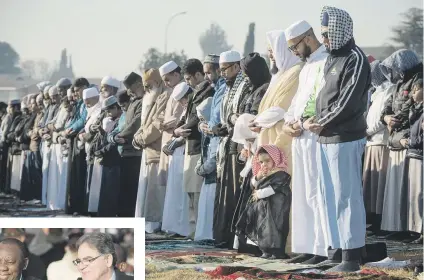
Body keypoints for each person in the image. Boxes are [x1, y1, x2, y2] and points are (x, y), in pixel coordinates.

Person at [306, 6, 370, 272]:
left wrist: (322, 122)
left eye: (327, 33)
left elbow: (348, 101)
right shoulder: (332, 58)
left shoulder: (355, 58)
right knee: (328, 196)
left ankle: (351, 255)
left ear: (340, 30)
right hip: (325, 138)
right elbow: (322, 96)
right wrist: (311, 121)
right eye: (322, 34)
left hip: (344, 137)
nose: (324, 39)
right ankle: (335, 250)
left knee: (347, 196)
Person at [281, 20, 328, 264]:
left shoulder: (325, 61)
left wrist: (300, 122)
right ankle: (306, 247)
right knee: (302, 194)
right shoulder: (307, 66)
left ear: (308, 38)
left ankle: (321, 249)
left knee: (316, 193)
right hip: (300, 136)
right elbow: (297, 102)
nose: (294, 53)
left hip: (315, 135)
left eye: (295, 47)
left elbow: (320, 102)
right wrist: (289, 122)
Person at [380, 50, 423, 240]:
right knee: (397, 190)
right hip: (397, 139)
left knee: (412, 190)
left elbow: (409, 108)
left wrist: (394, 119)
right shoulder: (399, 84)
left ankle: (409, 229)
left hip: (407, 139)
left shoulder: (418, 79)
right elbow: (388, 107)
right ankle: (397, 226)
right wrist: (386, 117)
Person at [213, 50, 251, 248]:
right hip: (227, 144)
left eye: (225, 69)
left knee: (235, 193)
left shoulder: (244, 85)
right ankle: (223, 237)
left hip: (238, 146)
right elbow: (227, 115)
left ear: (237, 67)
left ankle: (235, 240)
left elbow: (241, 115)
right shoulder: (227, 88)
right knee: (225, 193)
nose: (222, 74)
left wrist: (229, 123)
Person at [174, 58, 215, 237]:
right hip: (189, 147)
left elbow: (196, 119)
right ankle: (194, 228)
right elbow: (185, 118)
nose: (188, 83)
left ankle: (198, 229)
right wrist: (177, 129)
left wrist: (183, 129)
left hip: (199, 147)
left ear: (198, 74)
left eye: (189, 78)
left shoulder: (208, 91)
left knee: (198, 192)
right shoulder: (194, 93)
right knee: (190, 192)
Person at [235, 145, 291, 260]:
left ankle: (277, 252)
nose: (264, 164)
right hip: (263, 209)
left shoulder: (281, 174)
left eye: (267, 161)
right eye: (261, 162)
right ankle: (265, 251)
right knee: (263, 229)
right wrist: (258, 176)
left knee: (275, 229)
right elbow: (252, 185)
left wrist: (259, 194)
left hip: (276, 209)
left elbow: (276, 188)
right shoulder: (262, 174)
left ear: (275, 159)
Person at [133, 69, 170, 232]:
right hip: (146, 149)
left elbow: (157, 125)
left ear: (157, 82)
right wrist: (137, 137)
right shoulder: (150, 98)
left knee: (156, 192)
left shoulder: (165, 96)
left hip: (156, 150)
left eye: (149, 86)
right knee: (148, 191)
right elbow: (144, 124)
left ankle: (155, 224)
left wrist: (140, 139)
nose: (146, 90)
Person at [362, 60, 392, 235]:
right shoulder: (376, 93)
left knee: (380, 184)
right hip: (371, 141)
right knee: (371, 185)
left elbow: (382, 119)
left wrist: (367, 131)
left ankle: (381, 220)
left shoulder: (388, 91)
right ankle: (373, 218)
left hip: (380, 141)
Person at [161, 82, 192, 237]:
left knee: (183, 194)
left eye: (183, 100)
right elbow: (177, 130)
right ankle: (175, 227)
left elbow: (185, 131)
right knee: (175, 192)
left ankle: (184, 228)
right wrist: (176, 132)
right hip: (177, 155)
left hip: (186, 153)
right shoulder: (185, 110)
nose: (181, 103)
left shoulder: (192, 107)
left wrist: (177, 133)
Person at [400, 78, 423, 244]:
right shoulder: (415, 108)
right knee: (416, 195)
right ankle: (419, 231)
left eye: (417, 90)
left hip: (420, 153)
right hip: (414, 151)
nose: (413, 93)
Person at [66, 78, 90, 215]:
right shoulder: (79, 103)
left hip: (82, 142)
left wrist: (70, 129)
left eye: (77, 91)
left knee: (80, 176)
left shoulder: (87, 102)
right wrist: (68, 129)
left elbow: (82, 120)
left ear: (84, 87)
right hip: (76, 140)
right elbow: (75, 120)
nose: (76, 94)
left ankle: (80, 207)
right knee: (75, 176)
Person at [96, 96, 123, 217]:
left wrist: (102, 151)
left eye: (110, 110)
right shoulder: (110, 120)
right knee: (105, 191)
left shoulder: (121, 120)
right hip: (107, 159)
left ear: (117, 107)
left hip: (115, 159)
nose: (108, 113)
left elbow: (115, 140)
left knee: (111, 191)